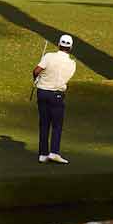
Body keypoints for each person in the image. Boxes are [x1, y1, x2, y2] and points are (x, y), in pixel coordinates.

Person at [33, 34, 77, 164]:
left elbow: (36, 71)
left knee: (44, 123)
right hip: (57, 95)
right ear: (71, 48)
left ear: (59, 44)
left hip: (42, 92)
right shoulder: (72, 64)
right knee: (57, 125)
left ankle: (42, 154)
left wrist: (35, 79)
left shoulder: (48, 56)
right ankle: (54, 152)